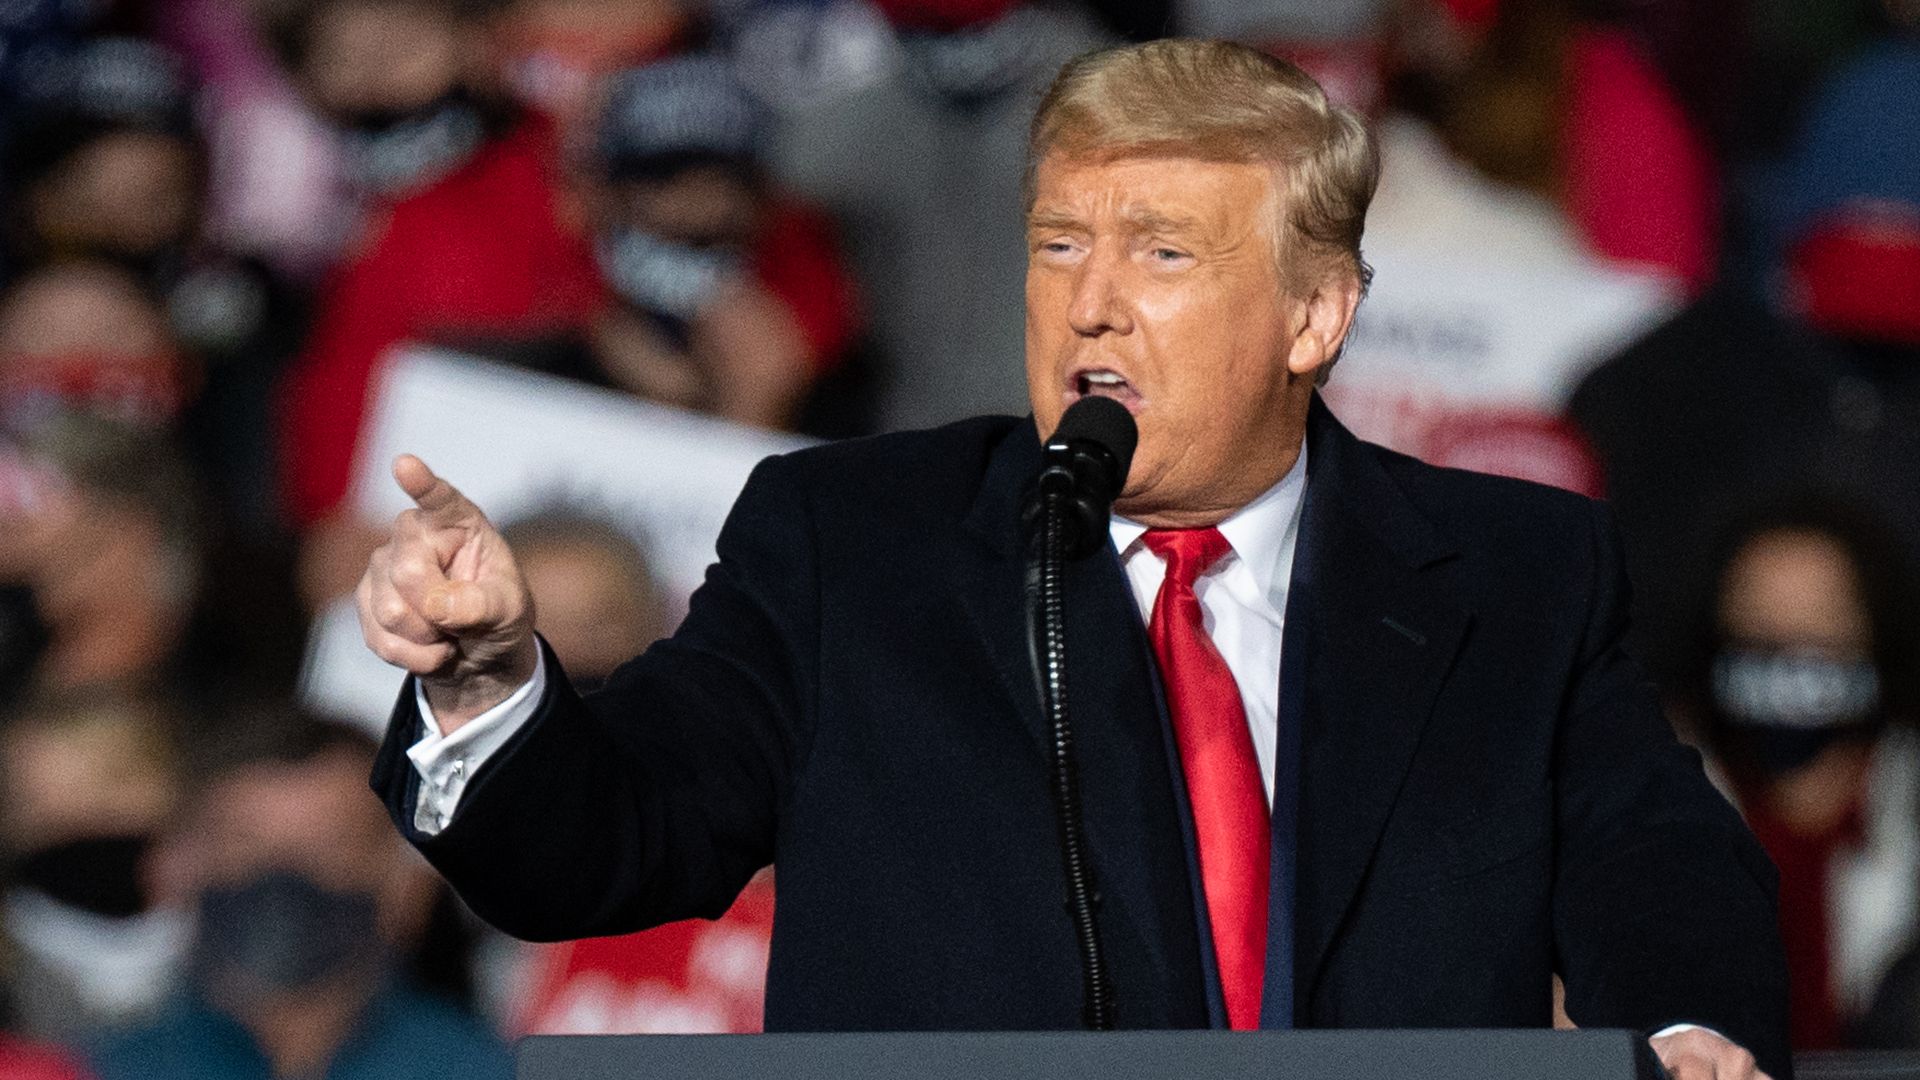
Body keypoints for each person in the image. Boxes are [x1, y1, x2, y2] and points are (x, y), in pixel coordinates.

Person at [357, 39, 1790, 1079]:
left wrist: (1680, 1034)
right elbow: (616, 835)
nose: (1091, 308)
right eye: (1057, 247)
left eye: (1163, 256)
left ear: (1313, 316)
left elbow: (1650, 858)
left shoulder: (1512, 572)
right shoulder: (850, 543)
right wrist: (489, 683)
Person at [88, 706, 511, 1080]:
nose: (285, 874)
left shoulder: (493, 1071)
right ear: (169, 871)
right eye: (244, 846)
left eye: (329, 849)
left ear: (407, 891)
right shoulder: (88, 1070)